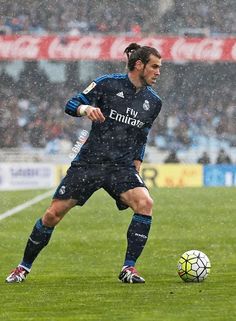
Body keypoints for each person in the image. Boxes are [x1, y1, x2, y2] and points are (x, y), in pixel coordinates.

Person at [6, 43, 162, 284]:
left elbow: (143, 134)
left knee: (145, 203)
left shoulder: (153, 102)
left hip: (120, 167)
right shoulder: (107, 84)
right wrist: (85, 108)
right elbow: (71, 103)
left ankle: (128, 268)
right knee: (52, 215)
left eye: (159, 67)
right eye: (154, 66)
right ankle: (22, 267)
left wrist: (137, 161)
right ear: (139, 65)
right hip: (90, 163)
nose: (158, 72)